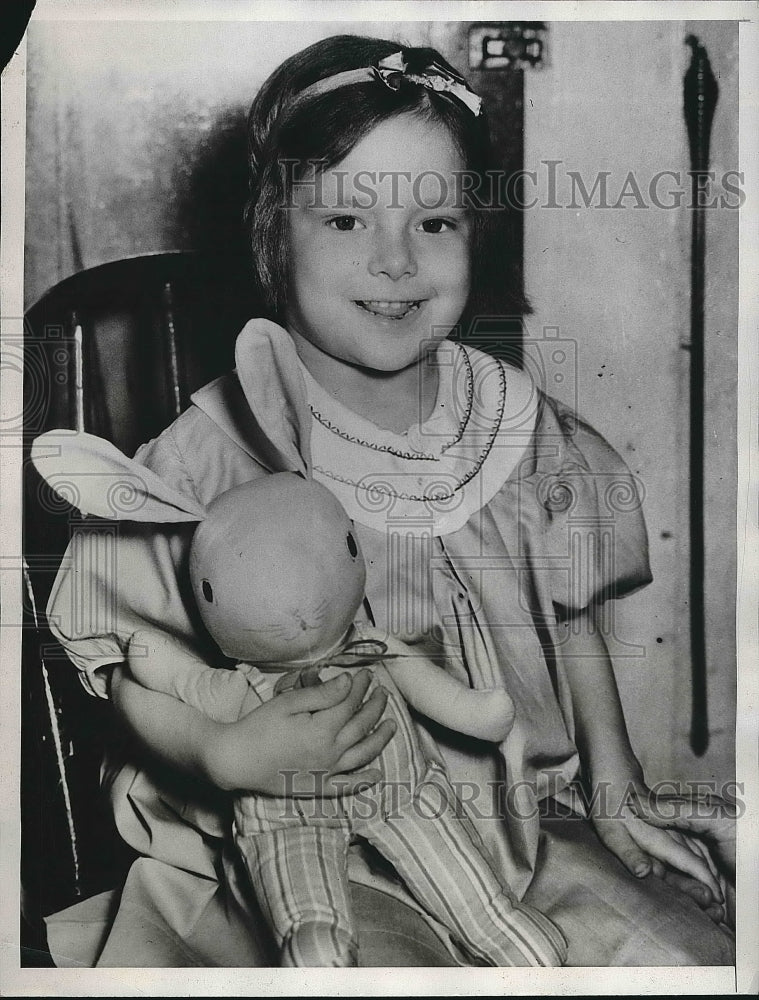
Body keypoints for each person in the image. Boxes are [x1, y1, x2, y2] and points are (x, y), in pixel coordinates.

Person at [43, 35, 736, 968]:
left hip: (514, 829)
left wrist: (611, 781)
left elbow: (569, 609)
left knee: (682, 957)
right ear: (271, 232)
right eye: (345, 222)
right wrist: (217, 753)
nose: (396, 260)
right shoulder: (206, 460)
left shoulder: (511, 420)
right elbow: (136, 663)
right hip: (297, 851)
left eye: (434, 222)